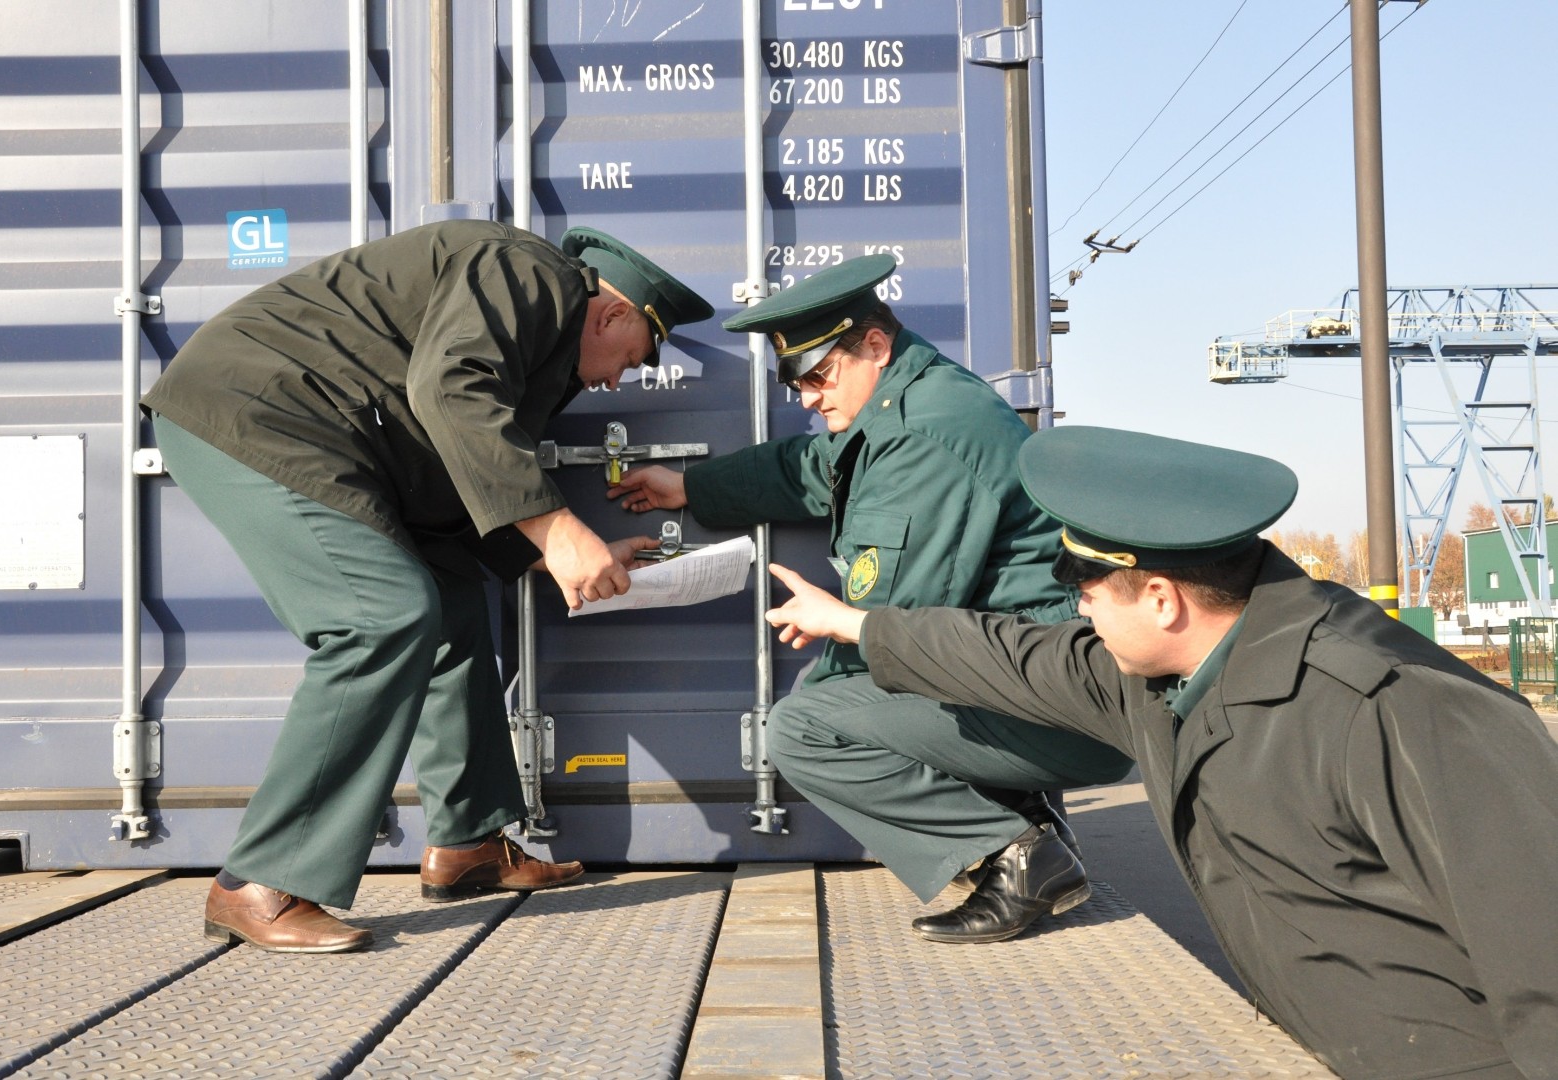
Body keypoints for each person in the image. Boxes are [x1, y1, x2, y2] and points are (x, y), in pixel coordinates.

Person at [764, 425, 1558, 1079]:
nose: (1078, 613)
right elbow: (1010, 654)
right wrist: (856, 624)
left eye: (1086, 593)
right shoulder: (1160, 676)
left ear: (1159, 597)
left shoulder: (1400, 709)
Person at [142, 221, 713, 953]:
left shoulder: (537, 335)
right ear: (610, 314)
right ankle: (262, 880)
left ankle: (470, 843)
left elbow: (455, 463)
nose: (613, 382)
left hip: (337, 438)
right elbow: (448, 389)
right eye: (627, 359)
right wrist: (560, 528)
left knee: (453, 608)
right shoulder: (530, 273)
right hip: (260, 412)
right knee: (379, 618)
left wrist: (544, 550)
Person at [606, 254, 1132, 942]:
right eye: (795, 383)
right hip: (1046, 686)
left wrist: (829, 645)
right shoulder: (907, 400)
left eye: (819, 376)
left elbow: (895, 630)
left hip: (1060, 708)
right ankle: (1022, 817)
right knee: (839, 703)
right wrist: (692, 487)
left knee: (804, 728)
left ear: (875, 346)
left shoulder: (922, 434)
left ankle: (1022, 857)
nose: (808, 397)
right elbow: (814, 467)